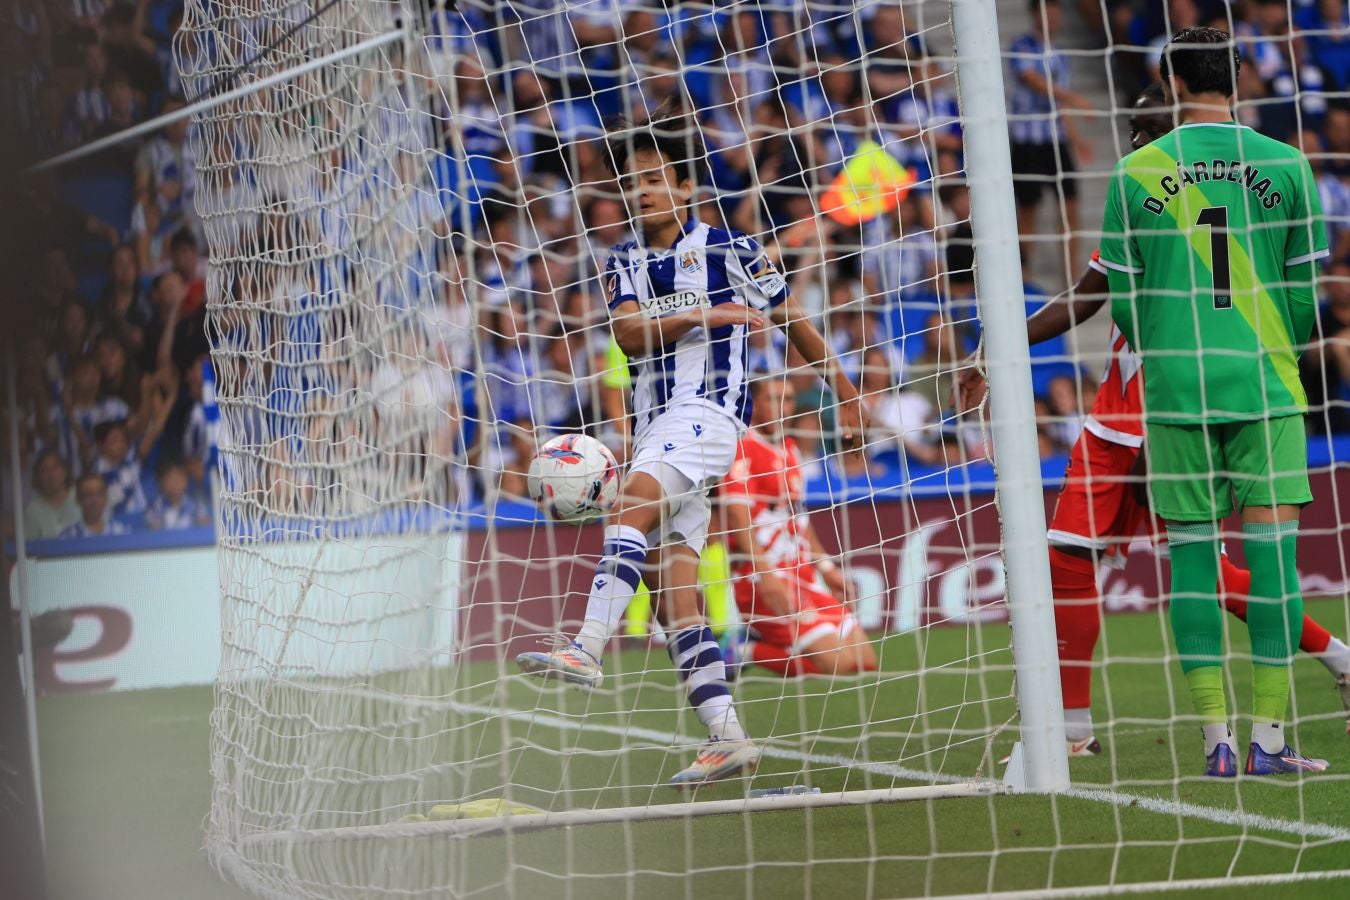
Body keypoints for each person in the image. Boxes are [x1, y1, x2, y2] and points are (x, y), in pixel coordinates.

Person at [959, 82, 1350, 758]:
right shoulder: (1150, 189)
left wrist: (1001, 339)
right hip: (1118, 415)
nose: (1136, 130)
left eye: (1147, 118)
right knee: (1071, 561)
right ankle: (1073, 729)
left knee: (1201, 571)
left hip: (1166, 408)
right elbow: (1094, 293)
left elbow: (1096, 297)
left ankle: (1327, 668)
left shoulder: (1156, 191)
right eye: (1134, 121)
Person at [516, 105, 865, 788]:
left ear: (684, 187)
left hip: (707, 414)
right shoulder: (621, 261)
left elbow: (790, 317)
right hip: (657, 426)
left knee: (631, 508)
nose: (640, 191)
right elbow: (628, 336)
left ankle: (586, 646)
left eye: (654, 178)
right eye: (632, 182)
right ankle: (728, 738)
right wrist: (709, 314)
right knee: (676, 597)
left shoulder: (733, 250)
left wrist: (847, 394)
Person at [1100, 28, 1331, 776]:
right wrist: (1272, 348)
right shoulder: (1289, 164)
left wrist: (1168, 347)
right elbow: (1305, 298)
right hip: (1266, 386)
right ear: (1237, 77)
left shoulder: (1135, 170)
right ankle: (1269, 735)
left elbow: (1123, 303)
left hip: (1174, 391)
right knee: (1274, 565)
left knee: (1195, 566)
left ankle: (1215, 741)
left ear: (1167, 80)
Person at [718, 377, 877, 677]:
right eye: (773, 398)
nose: (783, 406)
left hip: (803, 574)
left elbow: (799, 521)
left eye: (788, 399)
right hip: (762, 578)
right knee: (836, 668)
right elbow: (739, 519)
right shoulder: (741, 447)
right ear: (755, 403)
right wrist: (766, 575)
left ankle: (751, 645)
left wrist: (828, 570)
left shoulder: (790, 450)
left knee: (864, 663)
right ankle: (742, 650)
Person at [23, 449, 79, 540]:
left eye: (55, 467)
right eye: (44, 470)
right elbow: (30, 548)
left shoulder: (81, 495)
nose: (51, 474)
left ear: (65, 471)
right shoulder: (32, 511)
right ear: (37, 477)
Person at [60, 472, 130, 538]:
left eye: (99, 493)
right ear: (78, 500)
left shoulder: (122, 533)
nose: (94, 500)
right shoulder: (67, 537)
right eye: (88, 494)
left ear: (106, 498)